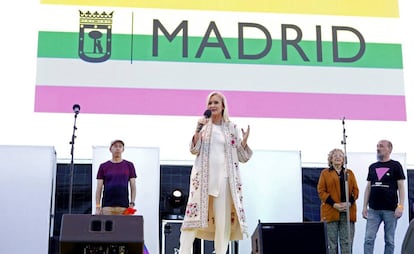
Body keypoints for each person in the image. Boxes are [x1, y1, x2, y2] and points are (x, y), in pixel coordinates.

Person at [179, 91, 253, 254]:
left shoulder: (232, 128)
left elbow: (242, 157)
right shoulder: (204, 126)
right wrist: (197, 131)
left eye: (216, 103)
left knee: (223, 223)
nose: (212, 105)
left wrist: (244, 142)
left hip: (225, 180)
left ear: (223, 106)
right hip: (203, 180)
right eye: (210, 103)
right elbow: (194, 149)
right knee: (190, 221)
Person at [362, 140, 406, 254]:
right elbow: (368, 187)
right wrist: (364, 206)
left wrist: (400, 206)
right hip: (373, 210)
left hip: (390, 210)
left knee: (390, 241)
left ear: (389, 149)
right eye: (377, 146)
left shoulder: (396, 166)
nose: (378, 148)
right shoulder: (372, 167)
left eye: (381, 146)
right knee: (368, 239)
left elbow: (401, 187)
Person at [317, 148, 359, 254]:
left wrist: (349, 203)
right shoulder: (325, 173)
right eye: (335, 155)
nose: (337, 157)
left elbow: (355, 190)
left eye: (340, 155)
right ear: (330, 159)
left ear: (344, 159)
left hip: (347, 212)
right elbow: (321, 191)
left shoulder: (349, 173)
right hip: (331, 212)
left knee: (347, 243)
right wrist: (334, 204)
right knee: (331, 243)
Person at [95, 139, 137, 215]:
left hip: (124, 207)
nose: (117, 148)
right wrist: (98, 207)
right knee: (107, 227)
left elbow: (133, 186)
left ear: (123, 149)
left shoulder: (129, 165)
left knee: (123, 226)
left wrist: (132, 204)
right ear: (110, 149)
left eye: (120, 146)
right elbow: (99, 188)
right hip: (107, 207)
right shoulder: (103, 166)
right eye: (115, 146)